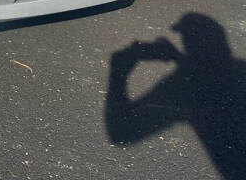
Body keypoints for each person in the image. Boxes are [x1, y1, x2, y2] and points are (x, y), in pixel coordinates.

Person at [105, 13, 246, 179]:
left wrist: (118, 74)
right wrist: (176, 57)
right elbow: (213, 74)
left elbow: (121, 132)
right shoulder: (239, 70)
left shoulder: (183, 86)